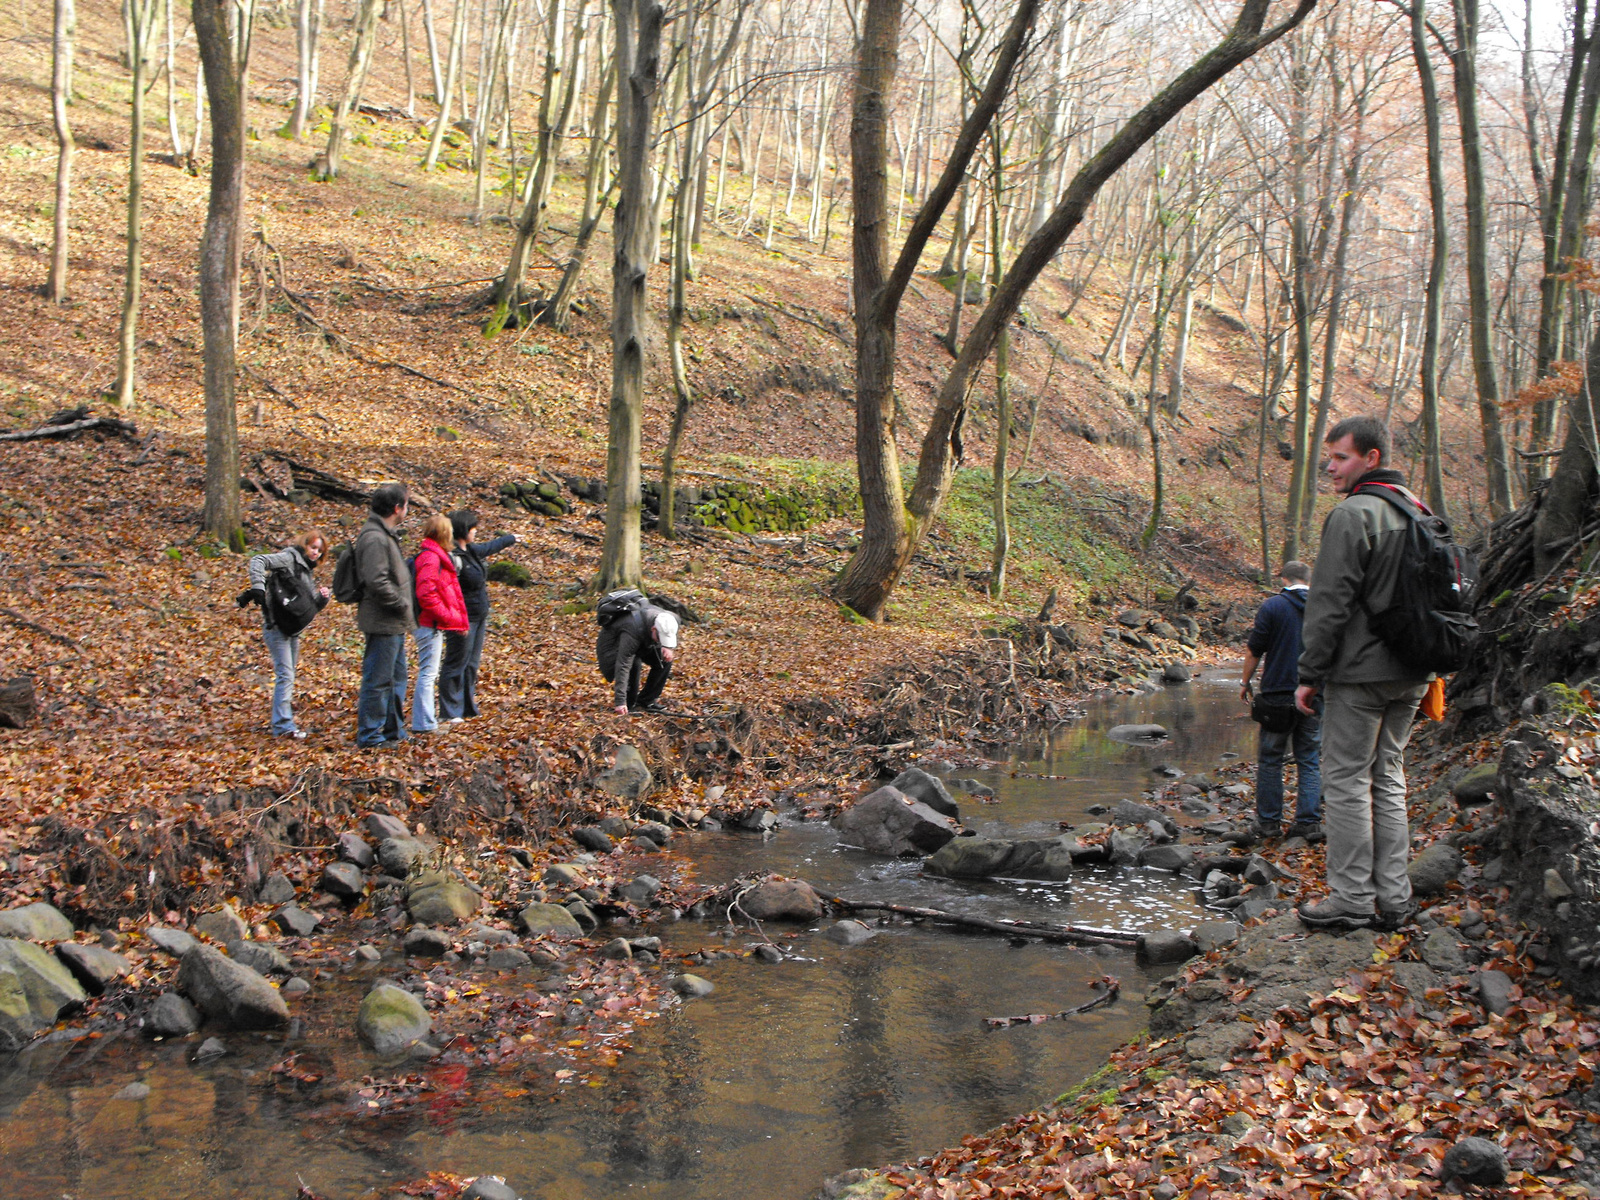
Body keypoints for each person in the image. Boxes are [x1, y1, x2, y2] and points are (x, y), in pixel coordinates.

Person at [1295, 416, 1431, 932]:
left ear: (1372, 458)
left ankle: (1351, 899)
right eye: (1329, 456)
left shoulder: (1354, 515)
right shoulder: (1419, 510)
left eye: (1341, 457)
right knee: (1388, 779)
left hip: (1361, 673)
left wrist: (1309, 673)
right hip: (1414, 672)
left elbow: (1329, 603)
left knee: (1347, 781)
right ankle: (1394, 899)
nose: (1330, 467)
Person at [1240, 560, 1322, 842]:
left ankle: (1268, 824)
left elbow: (1255, 649)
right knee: (1309, 758)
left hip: (1277, 693)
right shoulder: (1325, 607)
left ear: (1284, 579)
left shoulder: (1273, 606)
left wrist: (1245, 682)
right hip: (1315, 693)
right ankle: (1308, 823)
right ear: (1309, 580)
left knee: (1271, 759)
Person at [245, 531, 331, 738]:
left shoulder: (306, 572)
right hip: (276, 627)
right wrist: (257, 587)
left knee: (288, 675)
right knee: (286, 675)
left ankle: (283, 723)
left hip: (293, 630)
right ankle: (283, 726)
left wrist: (322, 599)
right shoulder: (288, 558)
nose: (315, 553)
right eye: (313, 547)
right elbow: (258, 561)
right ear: (304, 545)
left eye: (319, 551)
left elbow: (307, 608)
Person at [439, 510, 518, 723]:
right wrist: (456, 617)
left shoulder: (472, 551)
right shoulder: (453, 557)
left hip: (479, 615)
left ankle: (466, 706)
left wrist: (511, 538)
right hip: (462, 618)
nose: (476, 531)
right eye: (473, 528)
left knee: (471, 664)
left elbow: (489, 547)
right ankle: (449, 710)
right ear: (463, 531)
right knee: (456, 662)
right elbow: (449, 591)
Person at [355, 483, 415, 747]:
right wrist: (401, 603)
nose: (407, 510)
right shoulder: (375, 538)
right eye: (406, 504)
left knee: (396, 679)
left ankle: (393, 731)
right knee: (378, 680)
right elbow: (377, 581)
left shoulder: (384, 534)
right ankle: (371, 735)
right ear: (396, 508)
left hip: (393, 622)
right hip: (384, 620)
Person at [411, 513, 469, 734]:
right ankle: (424, 723)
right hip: (429, 624)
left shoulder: (435, 556)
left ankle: (426, 720)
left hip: (433, 623)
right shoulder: (431, 558)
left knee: (429, 672)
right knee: (428, 673)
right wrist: (447, 617)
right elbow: (426, 594)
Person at [597, 598, 680, 714]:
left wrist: (668, 647)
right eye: (660, 638)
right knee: (633, 664)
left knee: (664, 660)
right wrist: (620, 702)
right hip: (613, 647)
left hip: (643, 641)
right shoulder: (632, 629)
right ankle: (628, 704)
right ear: (653, 629)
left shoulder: (670, 619)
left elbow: (668, 634)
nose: (661, 642)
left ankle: (647, 701)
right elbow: (623, 665)